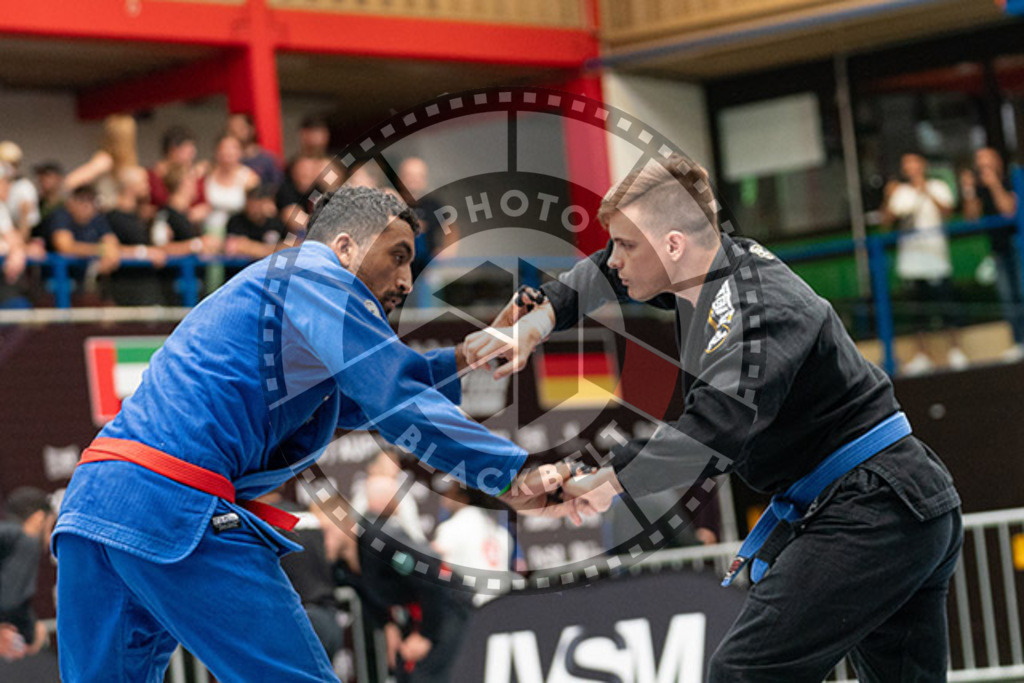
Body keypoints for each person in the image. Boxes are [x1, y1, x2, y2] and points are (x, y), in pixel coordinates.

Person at [466, 154, 963, 682]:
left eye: (627, 246)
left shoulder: (758, 308)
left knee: (744, 673)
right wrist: (539, 319)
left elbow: (714, 431)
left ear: (673, 245)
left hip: (874, 503)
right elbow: (600, 273)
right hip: (897, 503)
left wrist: (607, 480)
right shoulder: (710, 273)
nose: (614, 259)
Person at [52, 186, 572, 682]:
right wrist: (512, 473)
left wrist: (471, 354)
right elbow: (392, 394)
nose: (406, 280)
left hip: (93, 504)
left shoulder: (280, 293)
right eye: (397, 257)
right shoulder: (315, 274)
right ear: (344, 248)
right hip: (170, 501)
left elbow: (370, 392)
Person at [881, 152, 966, 374]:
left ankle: (956, 351)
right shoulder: (900, 192)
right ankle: (922, 355)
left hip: (937, 257)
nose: (912, 168)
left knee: (947, 306)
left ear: (923, 165)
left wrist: (925, 189)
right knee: (917, 312)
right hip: (911, 261)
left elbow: (948, 212)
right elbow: (886, 222)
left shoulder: (938, 186)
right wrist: (888, 198)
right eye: (907, 165)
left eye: (915, 163)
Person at [961, 147, 1022, 360]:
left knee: (1022, 293)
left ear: (997, 161)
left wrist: (994, 184)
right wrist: (968, 190)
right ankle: (1018, 341)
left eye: (986, 160)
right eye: (979, 161)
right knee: (1007, 298)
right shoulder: (979, 188)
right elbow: (971, 218)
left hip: (1018, 245)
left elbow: (1009, 210)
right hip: (997, 249)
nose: (982, 165)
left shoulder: (1009, 180)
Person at [1, 487, 56, 661]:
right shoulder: (26, 539)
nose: (50, 539)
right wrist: (31, 631)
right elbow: (10, 602)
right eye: (51, 527)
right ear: (38, 519)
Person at [63, 114, 143, 212]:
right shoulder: (104, 160)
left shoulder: (128, 162)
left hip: (126, 215)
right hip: (109, 215)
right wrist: (105, 202)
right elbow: (69, 183)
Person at [397, 157, 459, 279]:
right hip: (398, 268)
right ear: (400, 178)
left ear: (424, 179)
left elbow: (451, 229)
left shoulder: (433, 205)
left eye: (418, 176)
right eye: (409, 175)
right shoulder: (392, 203)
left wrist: (447, 251)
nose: (414, 180)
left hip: (426, 270)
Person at [227, 112, 284, 188]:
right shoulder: (226, 161)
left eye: (240, 128)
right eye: (232, 130)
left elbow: (277, 187)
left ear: (251, 129)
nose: (236, 133)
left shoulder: (267, 160)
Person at [0, 141, 40, 241]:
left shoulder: (24, 188)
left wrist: (19, 244)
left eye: (13, 164)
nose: (8, 168)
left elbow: (25, 226)